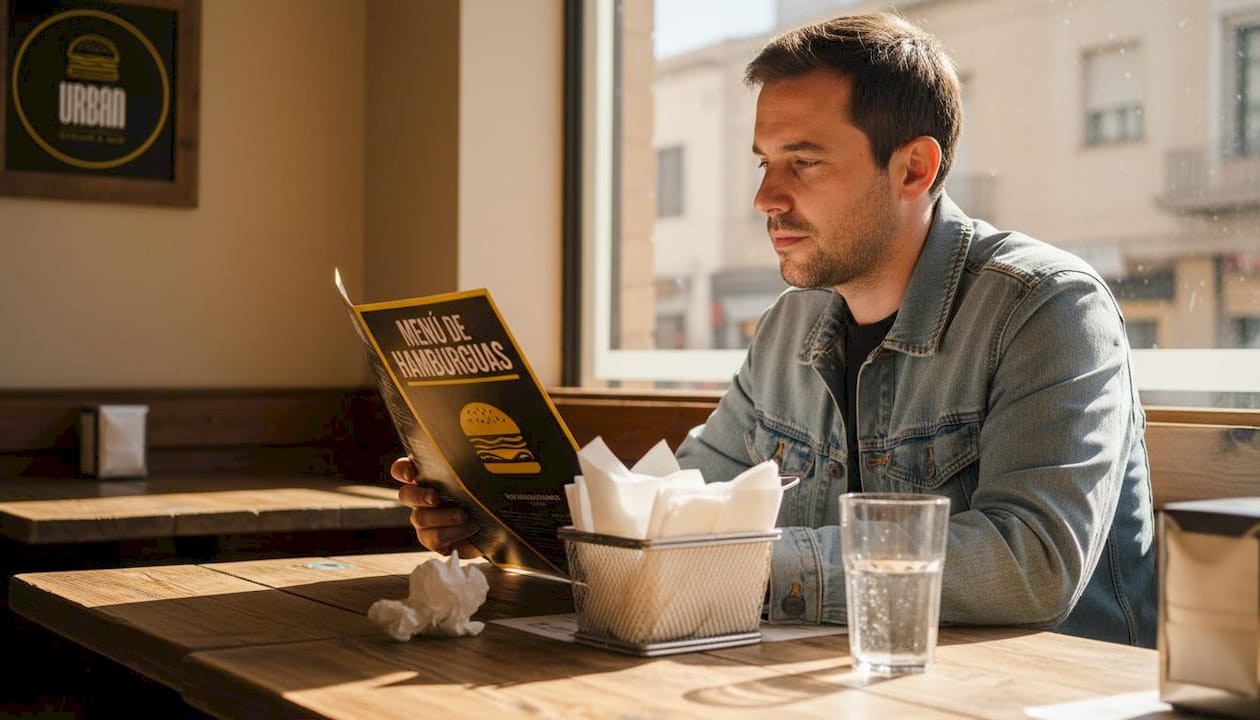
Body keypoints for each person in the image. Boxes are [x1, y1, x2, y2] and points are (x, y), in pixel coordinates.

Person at [392, 11, 1156, 648]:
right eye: (762, 161)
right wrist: (503, 523)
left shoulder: (1048, 308)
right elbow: (686, 498)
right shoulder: (793, 323)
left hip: (1049, 694)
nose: (766, 196)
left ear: (915, 169)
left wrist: (735, 565)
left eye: (804, 161)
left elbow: (1033, 563)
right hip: (839, 684)